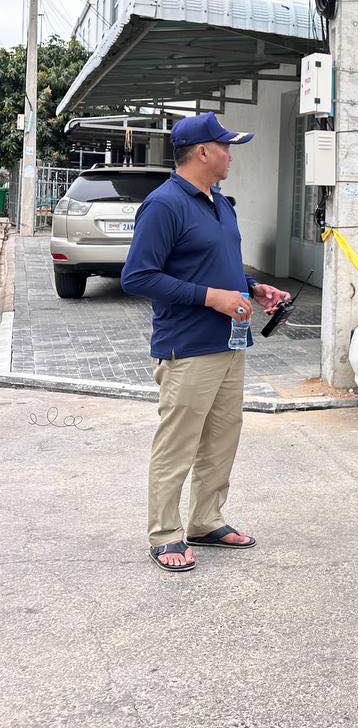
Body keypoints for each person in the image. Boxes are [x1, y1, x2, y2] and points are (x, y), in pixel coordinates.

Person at [121, 113, 291, 573]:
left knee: (221, 438)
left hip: (229, 343)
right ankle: (165, 534)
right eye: (225, 147)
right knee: (177, 445)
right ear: (202, 152)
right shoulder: (164, 204)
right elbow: (138, 276)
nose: (230, 156)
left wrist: (253, 288)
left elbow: (219, 262)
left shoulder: (220, 203)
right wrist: (212, 297)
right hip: (187, 347)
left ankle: (205, 521)